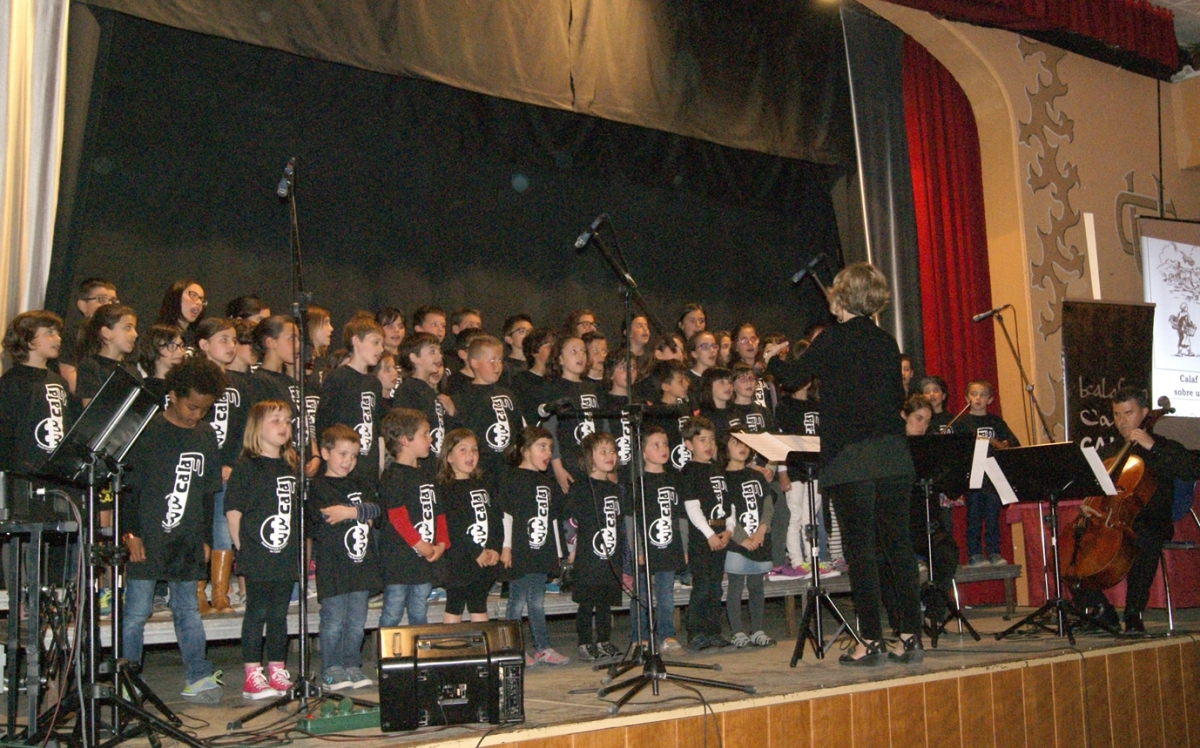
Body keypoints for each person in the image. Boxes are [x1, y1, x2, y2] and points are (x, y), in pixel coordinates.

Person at [763, 262, 922, 666]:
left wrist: (771, 359)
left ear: (842, 298)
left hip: (852, 459)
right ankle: (910, 634)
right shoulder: (887, 343)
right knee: (899, 547)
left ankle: (869, 640)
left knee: (861, 551)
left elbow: (793, 377)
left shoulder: (832, 340)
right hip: (892, 455)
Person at [120, 356, 226, 704]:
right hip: (147, 537)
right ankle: (128, 677)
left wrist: (207, 539)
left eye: (204, 409)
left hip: (186, 538)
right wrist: (131, 533)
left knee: (188, 610)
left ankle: (197, 673)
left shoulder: (206, 435)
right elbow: (128, 489)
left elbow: (209, 493)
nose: (197, 414)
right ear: (173, 395)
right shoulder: (148, 431)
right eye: (191, 406)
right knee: (136, 612)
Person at [1072, 387, 1199, 634]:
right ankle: (1101, 610)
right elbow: (1094, 486)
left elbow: (1192, 468)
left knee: (1145, 540)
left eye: (1128, 413)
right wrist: (1088, 504)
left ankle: (1133, 614)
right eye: (1117, 415)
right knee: (1072, 543)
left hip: (1152, 520)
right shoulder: (1110, 451)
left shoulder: (1163, 446)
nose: (1122, 421)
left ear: (1144, 413)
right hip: (1114, 520)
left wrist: (1152, 447)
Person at [224, 400, 301, 699]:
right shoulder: (246, 466)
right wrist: (244, 549)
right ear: (258, 427)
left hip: (284, 553)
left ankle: (277, 669)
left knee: (280, 614)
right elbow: (234, 513)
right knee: (257, 612)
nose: (284, 426)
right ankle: (252, 672)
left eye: (288, 421)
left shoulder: (290, 466)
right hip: (258, 552)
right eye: (276, 420)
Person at [308, 424, 382, 690]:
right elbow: (327, 514)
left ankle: (352, 665)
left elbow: (377, 509)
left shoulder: (361, 482)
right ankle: (331, 668)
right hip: (334, 566)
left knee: (356, 623)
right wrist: (359, 512)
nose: (348, 461)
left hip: (360, 565)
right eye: (342, 454)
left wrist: (350, 512)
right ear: (325, 453)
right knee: (333, 622)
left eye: (353, 455)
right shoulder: (319, 485)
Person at [499, 426, 570, 665]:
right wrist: (506, 547)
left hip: (542, 550)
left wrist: (559, 552)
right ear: (524, 450)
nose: (548, 452)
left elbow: (553, 519)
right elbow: (506, 515)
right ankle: (513, 647)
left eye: (550, 447)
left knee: (537, 602)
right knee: (517, 600)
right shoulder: (511, 478)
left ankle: (542, 647)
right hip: (519, 549)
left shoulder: (546, 482)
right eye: (542, 447)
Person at [196, 318, 250, 615]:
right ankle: (196, 590)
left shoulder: (238, 382)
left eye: (233, 340)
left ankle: (220, 592)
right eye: (223, 340)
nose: (231, 346)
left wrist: (231, 462)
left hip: (227, 468)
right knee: (197, 527)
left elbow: (242, 428)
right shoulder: (193, 379)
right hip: (198, 466)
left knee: (222, 528)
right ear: (204, 345)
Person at [376, 408, 447, 627]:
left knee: (419, 611)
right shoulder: (394, 476)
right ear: (405, 440)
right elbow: (397, 517)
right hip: (400, 561)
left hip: (424, 561)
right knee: (393, 611)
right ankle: (386, 658)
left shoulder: (426, 474)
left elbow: (439, 513)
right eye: (425, 434)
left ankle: (419, 657)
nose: (431, 438)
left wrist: (442, 543)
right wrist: (420, 545)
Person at [564, 432, 624, 661]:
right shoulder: (580, 488)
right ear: (589, 456)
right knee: (587, 601)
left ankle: (604, 639)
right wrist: (572, 549)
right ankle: (584, 641)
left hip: (610, 554)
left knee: (605, 601)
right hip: (588, 555)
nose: (609, 456)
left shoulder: (614, 488)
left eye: (612, 451)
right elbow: (569, 521)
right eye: (603, 452)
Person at [627, 425, 685, 654]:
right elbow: (632, 520)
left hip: (669, 546)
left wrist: (684, 547)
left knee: (665, 594)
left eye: (665, 444)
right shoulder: (637, 483)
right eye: (656, 445)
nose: (663, 449)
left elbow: (680, 516)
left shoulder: (673, 479)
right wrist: (638, 549)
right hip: (646, 548)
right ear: (642, 452)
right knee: (641, 594)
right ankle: (639, 637)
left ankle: (667, 634)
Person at [438, 429, 503, 623]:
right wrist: (476, 551)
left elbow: (494, 520)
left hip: (484, 558)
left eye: (474, 450)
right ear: (449, 457)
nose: (470, 455)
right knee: (455, 605)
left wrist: (495, 549)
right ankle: (451, 650)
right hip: (460, 559)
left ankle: (483, 651)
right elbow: (454, 527)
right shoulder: (446, 490)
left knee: (479, 603)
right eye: (463, 450)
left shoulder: (483, 485)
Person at [314, 316, 386, 487]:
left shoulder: (374, 384)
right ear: (356, 341)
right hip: (342, 467)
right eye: (375, 342)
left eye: (382, 344)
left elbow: (376, 428)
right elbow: (323, 423)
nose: (381, 349)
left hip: (368, 468)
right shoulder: (338, 378)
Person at [680, 416, 731, 650]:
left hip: (721, 533)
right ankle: (696, 631)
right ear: (689, 444)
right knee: (702, 586)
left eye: (711, 440)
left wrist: (729, 530)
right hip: (703, 537)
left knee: (715, 586)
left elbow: (730, 503)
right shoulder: (689, 471)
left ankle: (713, 630)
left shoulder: (718, 469)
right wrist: (709, 534)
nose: (708, 445)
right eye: (702, 440)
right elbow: (692, 508)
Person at [956, 380, 1019, 566]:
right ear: (967, 398)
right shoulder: (962, 423)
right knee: (974, 516)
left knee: (992, 516)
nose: (978, 398)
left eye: (983, 395)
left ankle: (993, 551)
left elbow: (1011, 445)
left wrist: (993, 442)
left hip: (993, 475)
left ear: (990, 399)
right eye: (974, 394)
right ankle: (974, 554)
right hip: (974, 473)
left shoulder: (996, 422)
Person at [0, 311, 71, 473]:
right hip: (22, 473)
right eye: (50, 333)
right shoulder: (11, 383)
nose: (58, 339)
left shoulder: (59, 382)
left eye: (58, 333)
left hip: (56, 473)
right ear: (28, 340)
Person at [723, 431, 775, 648]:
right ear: (725, 448)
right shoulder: (723, 478)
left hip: (759, 538)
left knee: (756, 585)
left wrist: (761, 531)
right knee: (735, 585)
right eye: (735, 442)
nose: (741, 447)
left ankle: (757, 629)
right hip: (738, 542)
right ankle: (737, 631)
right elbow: (725, 511)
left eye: (745, 443)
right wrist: (742, 538)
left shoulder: (756, 475)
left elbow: (768, 504)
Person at [453, 334, 522, 485]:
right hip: (481, 468)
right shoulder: (463, 395)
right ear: (474, 363)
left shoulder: (508, 394)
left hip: (507, 467)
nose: (497, 366)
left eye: (500, 361)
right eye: (491, 361)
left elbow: (518, 428)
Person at [544, 335, 602, 493]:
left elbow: (603, 425)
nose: (580, 356)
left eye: (583, 351)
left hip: (594, 462)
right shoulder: (555, 388)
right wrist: (557, 467)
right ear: (561, 359)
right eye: (574, 351)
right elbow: (550, 429)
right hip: (569, 462)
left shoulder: (591, 388)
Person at [395, 332, 452, 460]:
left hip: (436, 462)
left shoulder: (431, 392)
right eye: (432, 352)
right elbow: (406, 432)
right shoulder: (408, 390)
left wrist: (452, 413)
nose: (439, 356)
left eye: (439, 351)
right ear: (414, 358)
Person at [57, 278, 118, 394]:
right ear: (83, 306)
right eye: (102, 300)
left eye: (113, 301)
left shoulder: (118, 336)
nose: (109, 305)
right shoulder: (73, 334)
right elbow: (69, 375)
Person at [76, 303, 140, 407]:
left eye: (134, 328)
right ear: (106, 332)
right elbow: (91, 411)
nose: (135, 334)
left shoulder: (133, 371)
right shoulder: (90, 366)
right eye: (128, 328)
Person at [511, 328, 556, 428]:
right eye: (549, 346)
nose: (554, 350)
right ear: (534, 351)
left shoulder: (560, 380)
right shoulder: (521, 381)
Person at [135, 324, 185, 405]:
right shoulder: (147, 390)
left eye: (181, 346)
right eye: (171, 346)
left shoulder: (185, 386)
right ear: (154, 350)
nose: (180, 352)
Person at [156, 279, 207, 350]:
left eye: (201, 299)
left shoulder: (197, 338)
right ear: (176, 297)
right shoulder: (159, 335)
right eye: (193, 295)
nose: (199, 302)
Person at [685, 331, 718, 410]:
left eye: (714, 346)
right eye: (705, 347)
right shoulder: (686, 379)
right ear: (694, 353)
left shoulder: (720, 376)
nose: (712, 350)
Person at [501, 314, 534, 381]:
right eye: (522, 331)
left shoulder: (536, 364)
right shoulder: (503, 366)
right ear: (509, 339)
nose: (528, 335)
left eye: (530, 331)